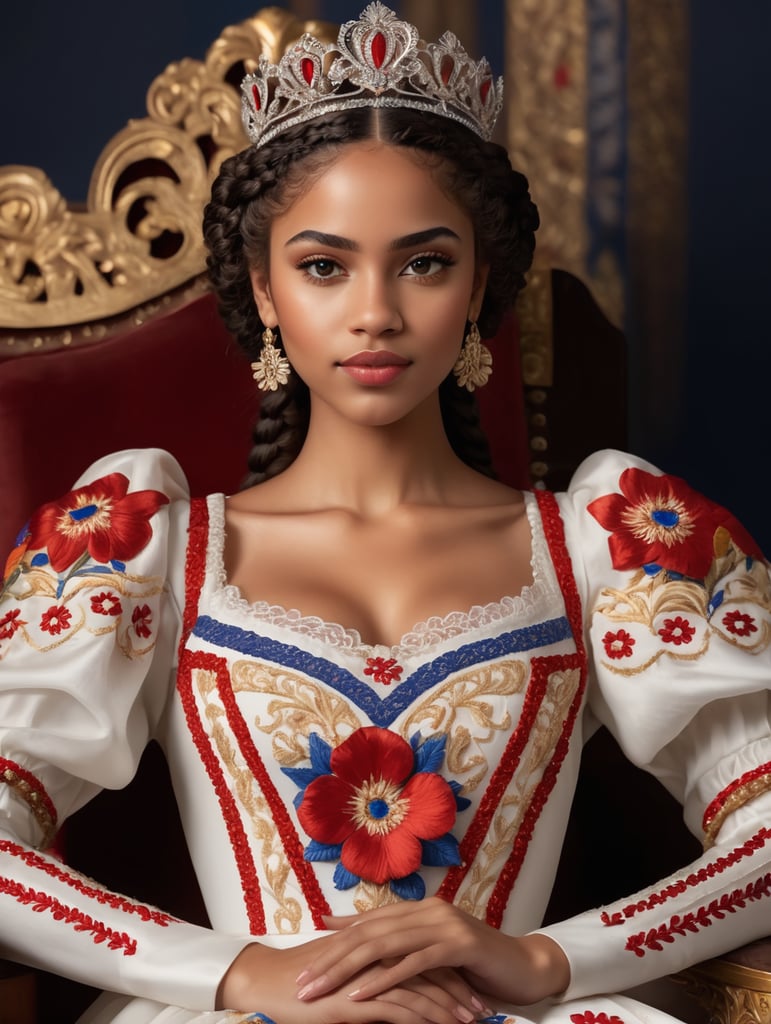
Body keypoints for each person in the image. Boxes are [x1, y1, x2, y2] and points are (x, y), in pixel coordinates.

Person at [1, 4, 770, 1023]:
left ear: (479, 285)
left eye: (423, 262)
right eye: (325, 266)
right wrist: (239, 974)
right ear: (266, 289)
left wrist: (550, 958)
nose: (376, 311)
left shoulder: (606, 543)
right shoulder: (154, 548)